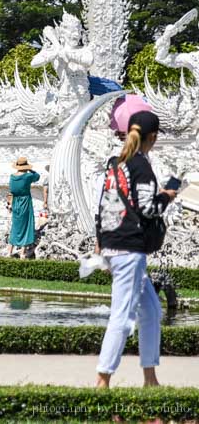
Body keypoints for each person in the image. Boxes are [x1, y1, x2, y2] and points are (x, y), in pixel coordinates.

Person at [95, 110, 175, 389]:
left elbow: (102, 206)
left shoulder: (116, 164)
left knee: (151, 311)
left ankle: (150, 379)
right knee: (123, 315)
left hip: (114, 245)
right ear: (152, 137)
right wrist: (166, 197)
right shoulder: (141, 166)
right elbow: (148, 208)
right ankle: (102, 380)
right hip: (129, 248)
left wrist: (101, 243)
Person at [7, 157, 40, 259]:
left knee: (15, 227)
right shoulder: (27, 176)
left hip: (15, 202)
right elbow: (37, 176)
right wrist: (31, 169)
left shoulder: (12, 177)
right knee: (26, 227)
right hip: (25, 202)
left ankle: (9, 252)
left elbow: (11, 190)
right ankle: (22, 253)